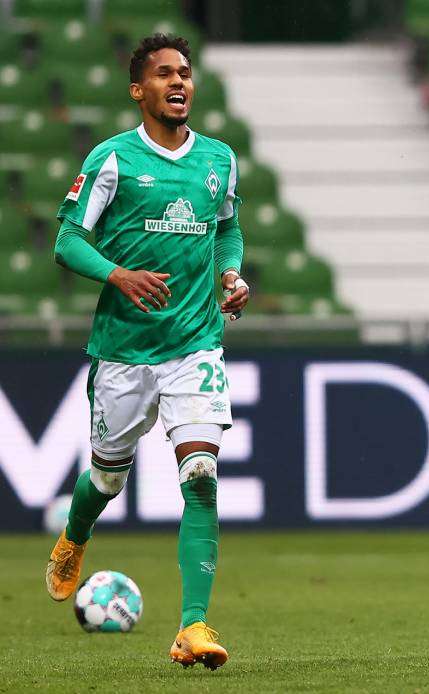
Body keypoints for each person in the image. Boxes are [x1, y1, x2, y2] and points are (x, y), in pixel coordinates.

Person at [44, 33, 249, 671]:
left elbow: (228, 230)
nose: (178, 82)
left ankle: (192, 626)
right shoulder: (113, 160)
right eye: (164, 74)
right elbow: (66, 240)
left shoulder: (219, 159)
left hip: (195, 344)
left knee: (203, 477)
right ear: (140, 90)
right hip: (124, 351)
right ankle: (75, 536)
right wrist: (118, 275)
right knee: (107, 475)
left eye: (185, 72)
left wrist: (232, 276)